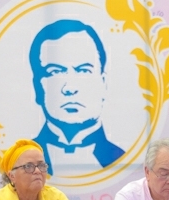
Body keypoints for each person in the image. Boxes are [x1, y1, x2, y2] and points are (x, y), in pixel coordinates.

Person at [30, 19, 124, 175]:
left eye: (83, 71)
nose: (69, 88)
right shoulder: (21, 162)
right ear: (37, 87)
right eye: (55, 71)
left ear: (103, 83)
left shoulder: (123, 159)